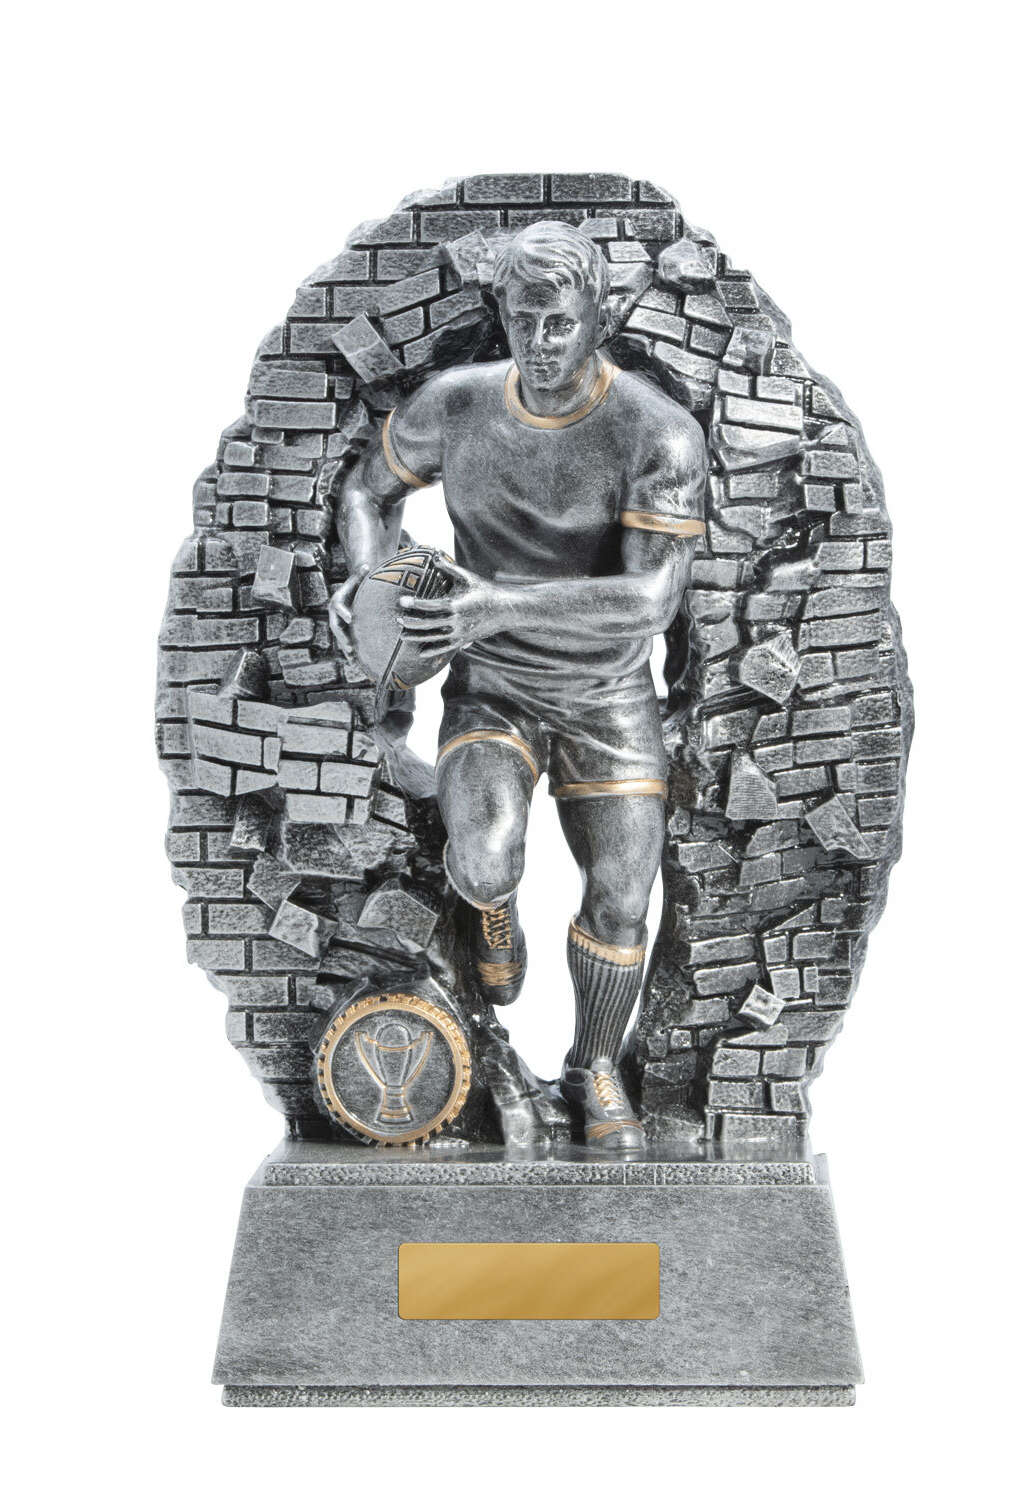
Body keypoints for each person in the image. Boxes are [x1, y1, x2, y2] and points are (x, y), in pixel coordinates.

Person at [332, 220, 708, 1149]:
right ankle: (492, 914)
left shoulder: (656, 432)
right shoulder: (456, 405)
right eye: (522, 319)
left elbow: (652, 599)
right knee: (483, 858)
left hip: (607, 695)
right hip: (492, 685)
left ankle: (594, 1067)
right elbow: (367, 489)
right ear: (500, 312)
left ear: (599, 318)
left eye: (560, 323)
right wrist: (371, 581)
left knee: (623, 894)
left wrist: (491, 604)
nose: (539, 343)